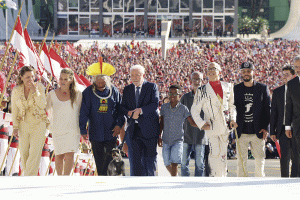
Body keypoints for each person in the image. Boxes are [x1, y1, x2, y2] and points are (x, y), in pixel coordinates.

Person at [191, 62, 237, 177]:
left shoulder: (228, 86)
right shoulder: (202, 90)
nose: (211, 71)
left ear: (219, 71)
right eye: (209, 69)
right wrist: (201, 123)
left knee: (223, 154)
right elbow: (194, 110)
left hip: (226, 126)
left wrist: (233, 119)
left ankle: (223, 177)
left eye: (214, 68)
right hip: (211, 126)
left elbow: (232, 106)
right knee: (214, 153)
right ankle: (214, 176)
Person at [79, 58, 124, 176]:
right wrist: (83, 129)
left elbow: (120, 110)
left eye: (103, 80)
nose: (100, 83)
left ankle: (108, 180)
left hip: (111, 132)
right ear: (94, 80)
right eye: (97, 80)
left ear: (107, 79)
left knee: (110, 160)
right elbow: (84, 112)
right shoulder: (88, 92)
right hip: (95, 132)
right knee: (99, 161)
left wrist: (119, 124)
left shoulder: (114, 91)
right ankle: (102, 180)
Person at [121, 64, 160, 176]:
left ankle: (150, 186)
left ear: (143, 75)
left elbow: (154, 104)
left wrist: (140, 111)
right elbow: (123, 107)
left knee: (150, 162)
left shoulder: (152, 87)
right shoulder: (127, 89)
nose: (134, 78)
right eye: (132, 75)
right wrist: (129, 113)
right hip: (133, 131)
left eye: (137, 75)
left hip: (149, 130)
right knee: (135, 163)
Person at [234, 61, 271, 177]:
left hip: (258, 131)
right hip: (241, 131)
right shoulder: (236, 89)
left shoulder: (262, 88)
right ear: (241, 73)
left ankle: (259, 184)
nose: (246, 74)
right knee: (241, 162)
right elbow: (231, 108)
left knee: (260, 160)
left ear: (253, 72)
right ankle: (240, 186)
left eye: (248, 71)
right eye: (244, 71)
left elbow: (267, 109)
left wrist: (266, 128)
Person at [11, 66, 49, 176]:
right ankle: (28, 176)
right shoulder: (16, 90)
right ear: (21, 77)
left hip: (38, 124)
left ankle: (28, 179)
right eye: (27, 77)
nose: (30, 79)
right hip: (23, 125)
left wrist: (35, 92)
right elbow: (14, 109)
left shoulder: (40, 87)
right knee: (24, 154)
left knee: (34, 154)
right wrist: (15, 127)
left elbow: (42, 105)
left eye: (32, 76)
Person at [46, 68, 82, 175]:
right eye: (61, 78)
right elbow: (43, 110)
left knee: (69, 154)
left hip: (73, 130)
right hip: (57, 130)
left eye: (65, 79)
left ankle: (65, 180)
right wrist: (48, 123)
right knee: (59, 155)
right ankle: (60, 178)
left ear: (71, 80)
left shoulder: (78, 94)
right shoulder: (51, 94)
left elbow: (83, 113)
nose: (62, 81)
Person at [158, 84, 198, 176]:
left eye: (175, 94)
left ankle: (174, 181)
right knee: (166, 163)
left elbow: (191, 122)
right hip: (166, 139)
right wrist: (159, 136)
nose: (172, 96)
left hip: (178, 139)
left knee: (174, 163)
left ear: (180, 95)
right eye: (170, 93)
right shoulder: (164, 107)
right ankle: (175, 177)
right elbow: (162, 123)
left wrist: (203, 125)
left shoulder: (183, 108)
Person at [180, 71, 208, 177]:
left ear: (202, 81)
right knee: (183, 164)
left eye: (199, 79)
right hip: (186, 134)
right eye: (194, 79)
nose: (197, 82)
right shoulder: (185, 97)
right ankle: (184, 185)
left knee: (200, 164)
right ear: (191, 81)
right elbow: (180, 115)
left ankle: (198, 186)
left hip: (201, 135)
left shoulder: (207, 97)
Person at [270, 65, 296, 177]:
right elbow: (274, 113)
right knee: (284, 157)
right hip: (282, 129)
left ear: (293, 76)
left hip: (297, 129)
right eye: (283, 74)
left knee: (296, 158)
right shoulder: (277, 92)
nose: (284, 77)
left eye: (287, 75)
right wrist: (272, 131)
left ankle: (296, 180)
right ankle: (284, 180)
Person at [285, 55, 300, 177]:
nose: (298, 69)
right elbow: (288, 106)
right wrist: (287, 127)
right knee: (297, 155)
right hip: (297, 126)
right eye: (296, 67)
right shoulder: (291, 84)